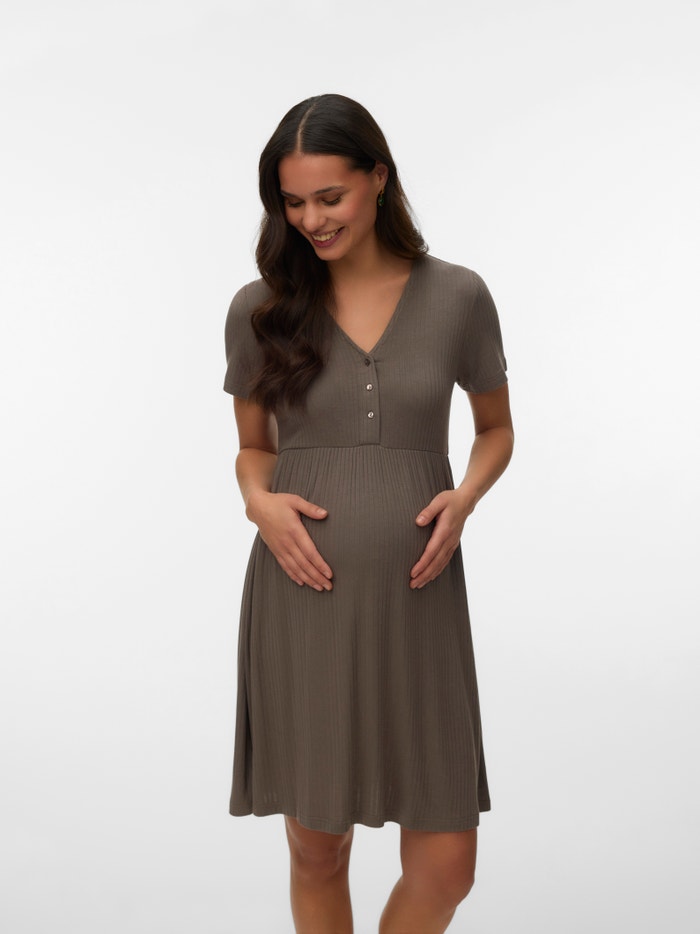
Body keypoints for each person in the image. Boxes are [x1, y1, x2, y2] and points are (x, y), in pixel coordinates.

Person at [223, 93, 514, 934]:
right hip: (304, 596)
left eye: (330, 196)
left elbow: (495, 430)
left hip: (420, 601)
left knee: (446, 866)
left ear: (378, 179)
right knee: (318, 850)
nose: (312, 219)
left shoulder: (458, 296)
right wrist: (259, 504)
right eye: (293, 202)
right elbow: (253, 450)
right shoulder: (261, 307)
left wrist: (465, 497)